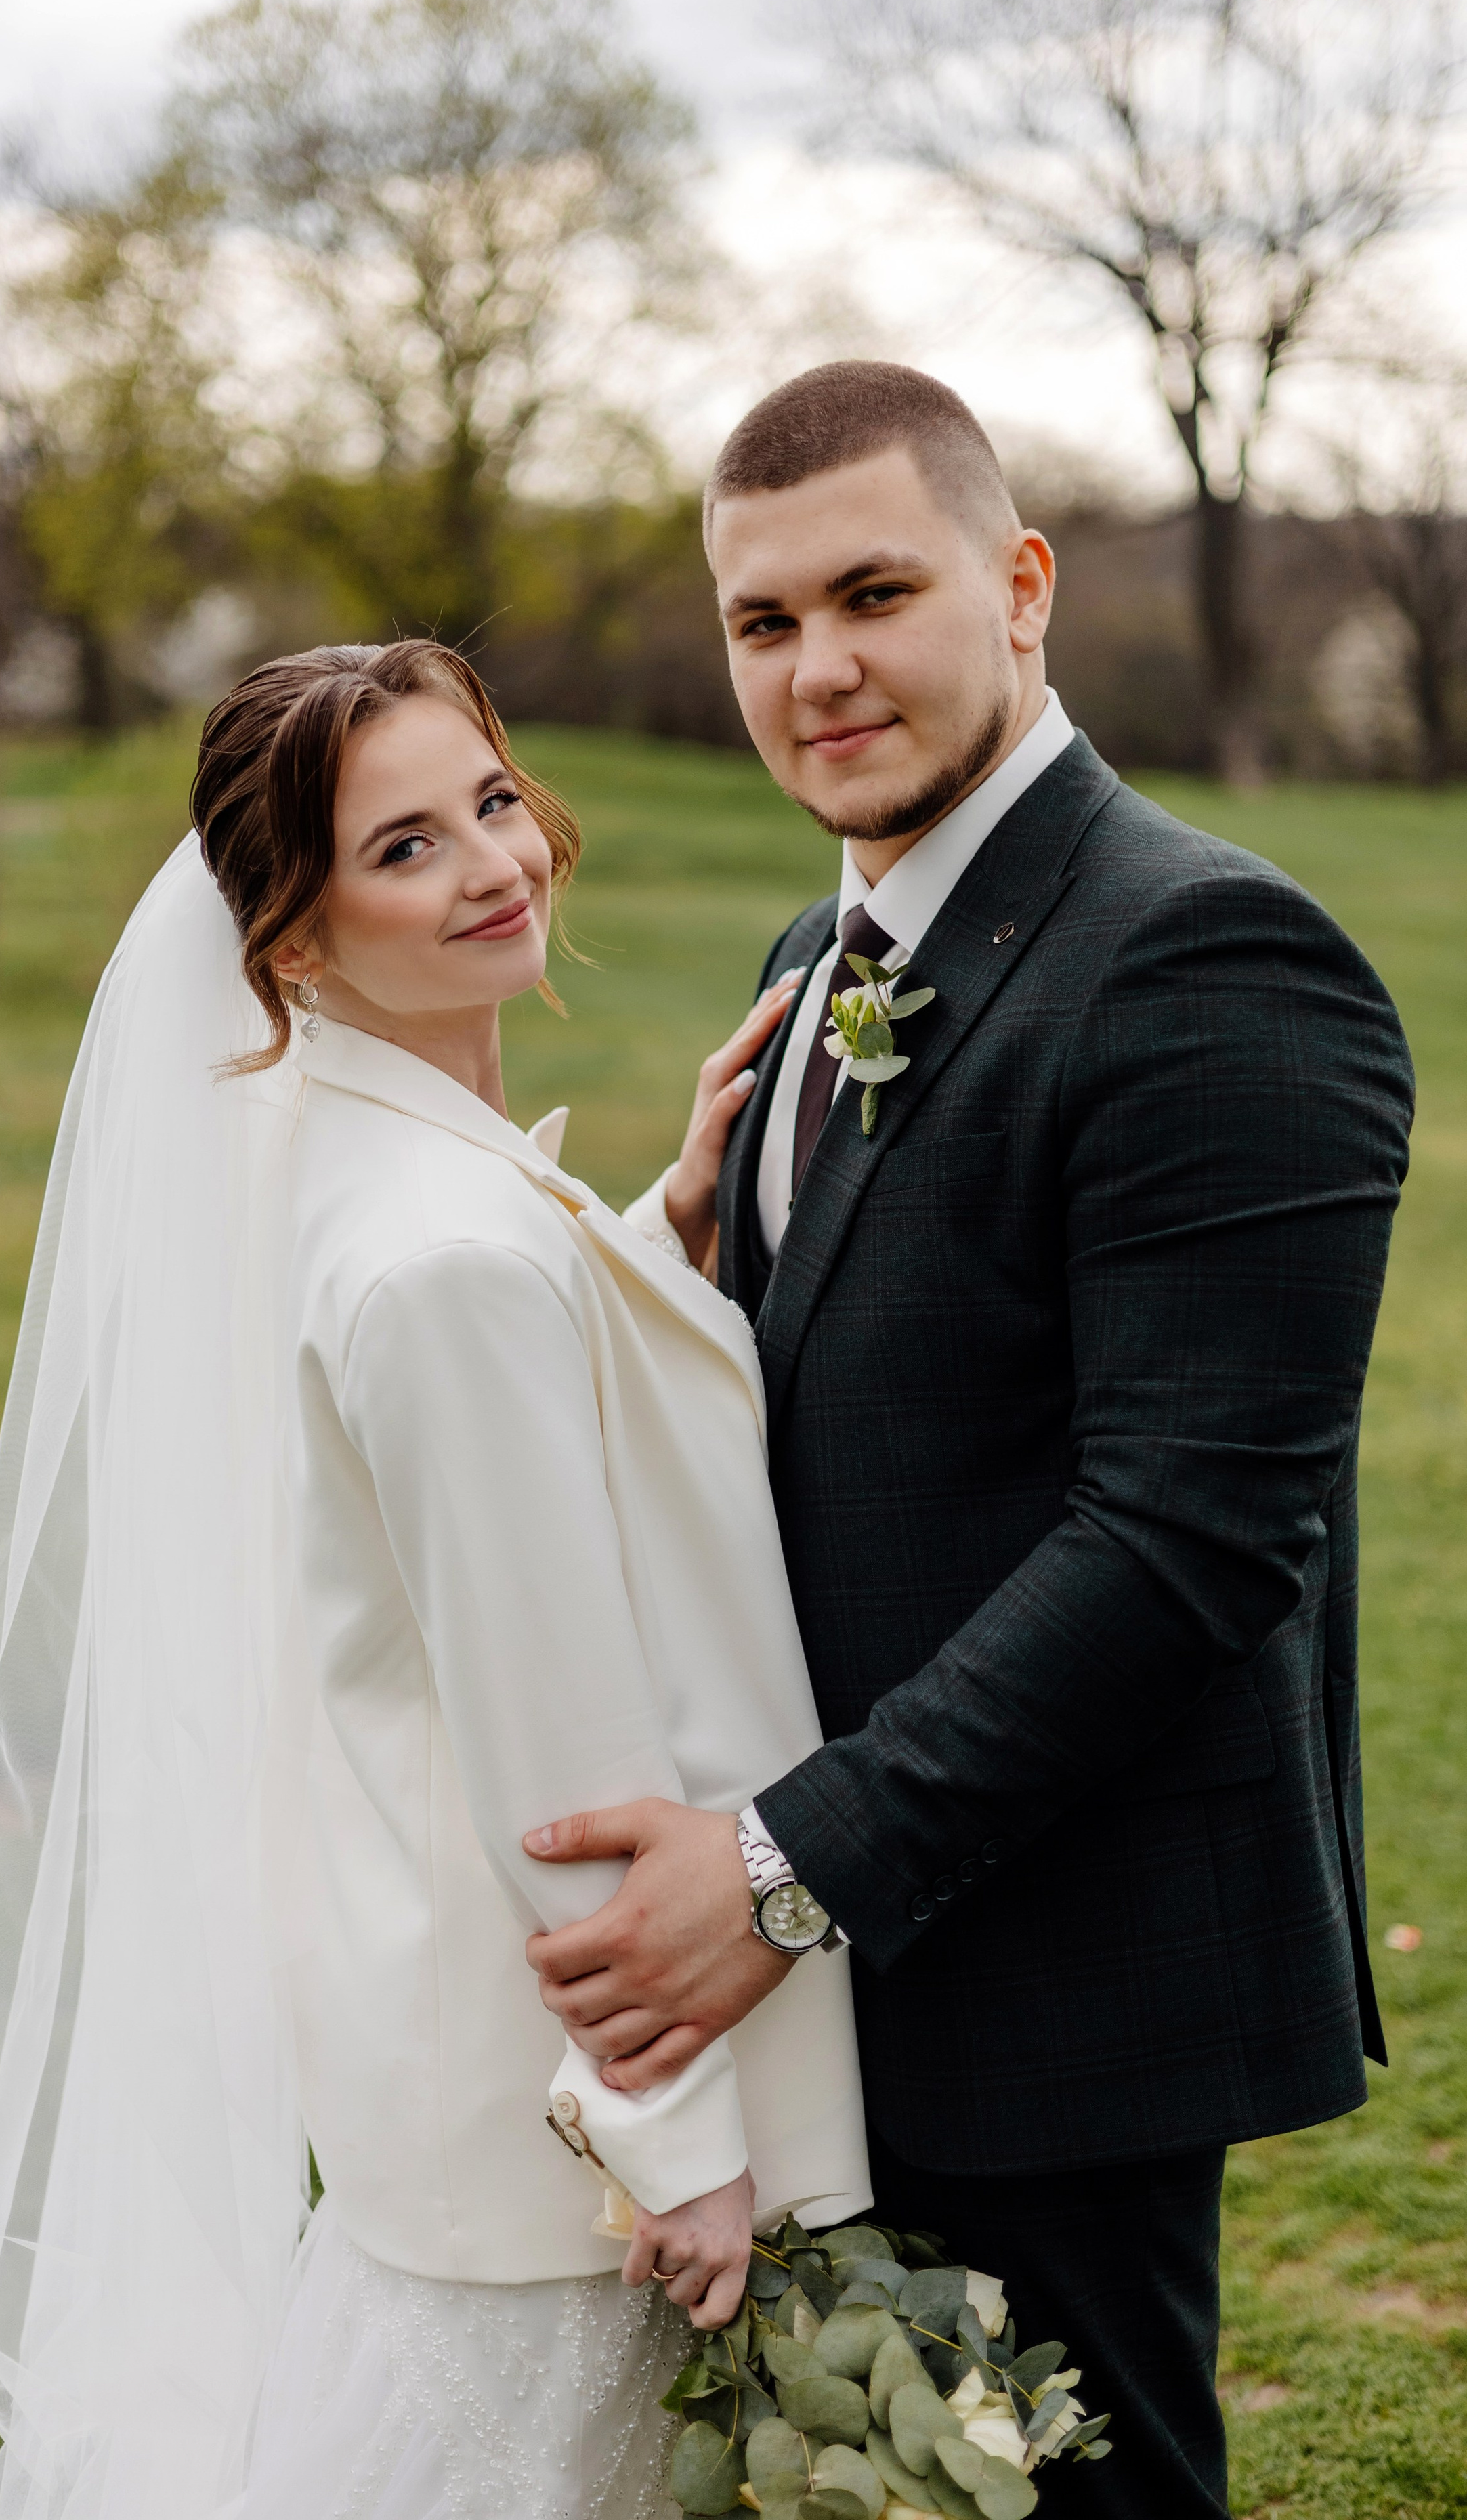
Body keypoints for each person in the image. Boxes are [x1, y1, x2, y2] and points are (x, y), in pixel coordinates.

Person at [520, 362, 1416, 2519]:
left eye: (871, 593)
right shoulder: (815, 958)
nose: (816, 670)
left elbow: (1189, 1545)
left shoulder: (1208, 958)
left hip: (1060, 1975)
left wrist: (781, 1869)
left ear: (1019, 588)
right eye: (760, 622)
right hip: (848, 1984)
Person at [0, 638, 870, 2520]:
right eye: (404, 849)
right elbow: (565, 1750)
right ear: (290, 936)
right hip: (572, 2147)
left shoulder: (351, 1162)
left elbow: (430, 1467)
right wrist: (673, 2141)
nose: (492, 865)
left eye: (495, 800)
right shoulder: (439, 1260)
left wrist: (647, 1238)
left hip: (430, 2062)